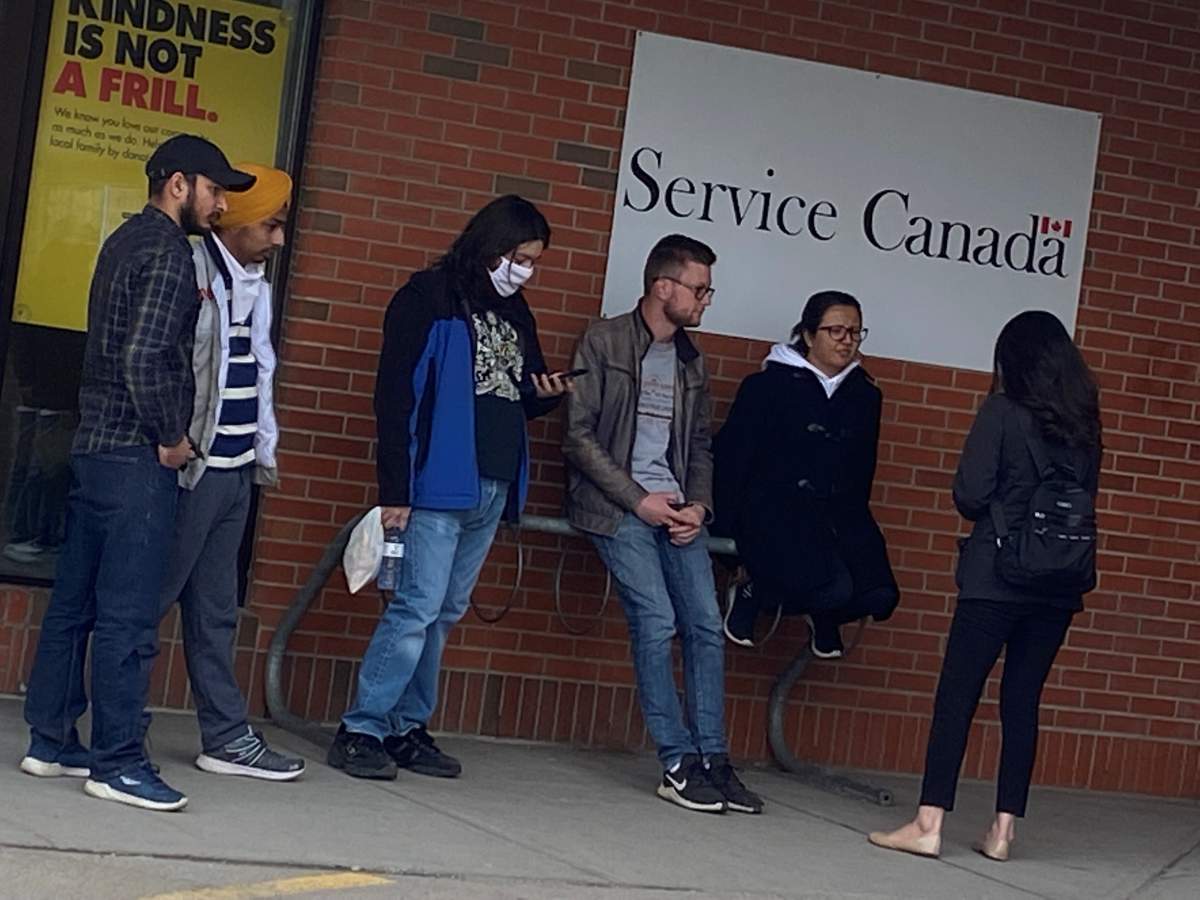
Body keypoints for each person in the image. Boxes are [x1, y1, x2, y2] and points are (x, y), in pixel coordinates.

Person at [20, 135, 255, 812]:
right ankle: (118, 761)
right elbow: (146, 357)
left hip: (94, 448)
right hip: (136, 458)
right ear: (178, 184)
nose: (220, 205)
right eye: (214, 190)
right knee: (127, 618)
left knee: (73, 605)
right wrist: (172, 437)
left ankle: (51, 740)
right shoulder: (170, 254)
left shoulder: (123, 241)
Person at [328, 195, 570, 780]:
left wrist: (546, 394)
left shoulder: (516, 311)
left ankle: (405, 726)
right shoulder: (427, 298)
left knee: (444, 611)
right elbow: (395, 397)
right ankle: (362, 727)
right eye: (518, 258)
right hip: (438, 480)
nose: (524, 271)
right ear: (491, 246)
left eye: (533, 262)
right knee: (417, 608)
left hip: (493, 479)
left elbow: (519, 393)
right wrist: (396, 488)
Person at [869, 310, 1102, 861]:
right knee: (1022, 700)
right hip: (1060, 581)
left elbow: (970, 495)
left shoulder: (1002, 411)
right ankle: (1003, 831)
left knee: (958, 695)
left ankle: (929, 823)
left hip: (996, 577)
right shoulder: (1086, 424)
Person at [563, 234, 763, 815]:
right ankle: (677, 761)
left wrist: (697, 507)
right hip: (614, 507)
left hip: (676, 508)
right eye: (699, 289)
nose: (706, 301)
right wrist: (638, 500)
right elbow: (578, 436)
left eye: (708, 290)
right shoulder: (603, 340)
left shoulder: (691, 360)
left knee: (704, 624)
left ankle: (714, 758)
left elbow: (699, 445)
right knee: (656, 621)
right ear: (662, 287)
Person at [152, 163, 304, 781]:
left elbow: (256, 371)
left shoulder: (254, 283)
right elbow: (160, 362)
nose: (279, 239)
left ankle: (225, 736)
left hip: (237, 470)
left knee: (216, 611)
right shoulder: (191, 270)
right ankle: (104, 732)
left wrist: (260, 453)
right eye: (270, 225)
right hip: (194, 469)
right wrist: (175, 443)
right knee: (148, 602)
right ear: (237, 221)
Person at [713, 291, 898, 655]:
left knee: (879, 595)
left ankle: (818, 612)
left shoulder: (865, 396)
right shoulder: (766, 387)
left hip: (838, 515)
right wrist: (729, 540)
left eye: (855, 332)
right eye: (836, 331)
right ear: (810, 335)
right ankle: (754, 591)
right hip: (773, 514)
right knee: (830, 584)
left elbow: (863, 469)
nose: (847, 341)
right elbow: (733, 460)